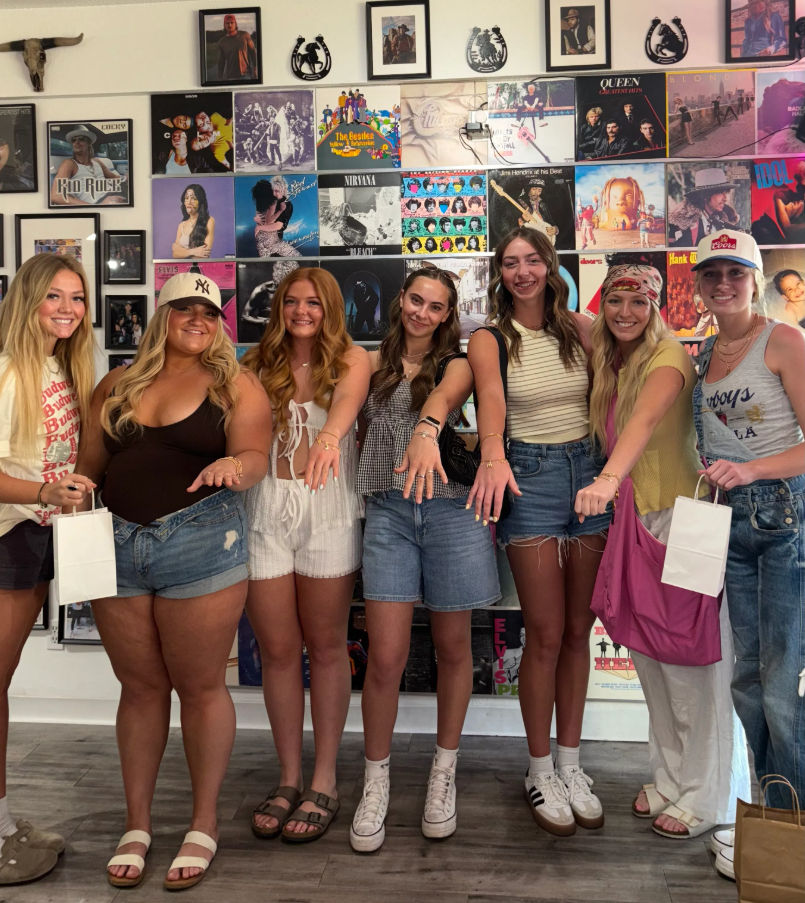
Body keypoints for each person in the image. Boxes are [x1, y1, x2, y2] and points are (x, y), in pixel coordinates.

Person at [75, 271, 271, 891]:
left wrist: (235, 464)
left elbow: (257, 458)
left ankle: (203, 823)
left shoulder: (233, 382)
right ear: (162, 316)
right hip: (116, 542)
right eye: (184, 308)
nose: (197, 319)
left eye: (208, 312)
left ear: (219, 323)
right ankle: (137, 825)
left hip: (201, 538)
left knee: (200, 686)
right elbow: (88, 468)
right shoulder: (116, 383)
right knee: (138, 687)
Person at [573, 263, 750, 842]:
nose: (626, 312)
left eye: (638, 303)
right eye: (616, 302)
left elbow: (644, 423)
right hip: (639, 524)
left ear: (657, 307)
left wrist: (606, 477)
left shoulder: (668, 358)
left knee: (694, 667)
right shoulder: (612, 355)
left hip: (682, 523)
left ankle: (706, 793)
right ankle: (670, 777)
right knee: (652, 660)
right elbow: (567, 318)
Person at [349, 266, 500, 853]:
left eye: (437, 307)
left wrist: (427, 429)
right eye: (417, 300)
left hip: (450, 512)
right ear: (401, 300)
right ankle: (376, 780)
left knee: (453, 648)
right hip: (388, 512)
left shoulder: (458, 362)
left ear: (448, 315)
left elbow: (443, 399)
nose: (423, 313)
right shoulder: (368, 362)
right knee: (385, 658)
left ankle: (444, 772)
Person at [465, 227, 610, 837]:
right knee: (545, 633)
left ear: (551, 266)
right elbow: (492, 403)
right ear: (500, 274)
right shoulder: (490, 337)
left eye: (532, 261)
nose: (522, 272)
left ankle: (573, 765)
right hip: (528, 478)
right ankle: (539, 768)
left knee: (580, 630)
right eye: (510, 263)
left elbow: (612, 396)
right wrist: (492, 456)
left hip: (589, 474)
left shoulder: (581, 328)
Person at [691, 229, 805, 878]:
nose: (723, 284)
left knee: (782, 684)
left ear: (754, 277)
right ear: (700, 284)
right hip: (727, 524)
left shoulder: (781, 340)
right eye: (712, 274)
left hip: (783, 520)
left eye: (735, 272)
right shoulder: (706, 352)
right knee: (745, 681)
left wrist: (752, 468)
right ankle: (769, 811)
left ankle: (791, 826)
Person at [241, 268, 369, 844]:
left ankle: (325, 779)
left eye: (313, 302)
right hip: (266, 509)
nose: (300, 310)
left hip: (328, 509)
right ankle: (289, 776)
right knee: (277, 650)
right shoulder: (252, 363)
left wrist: (327, 437)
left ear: (330, 307)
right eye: (291, 301)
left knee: (326, 645)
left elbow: (343, 410)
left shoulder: (351, 359)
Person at [0, 254, 95, 886]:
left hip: (38, 536)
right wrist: (44, 492)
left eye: (77, 298)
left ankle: (5, 821)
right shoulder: (9, 373)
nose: (67, 308)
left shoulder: (63, 367)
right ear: (29, 300)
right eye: (54, 297)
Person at [50, 124, 126, 206]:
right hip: (101, 201)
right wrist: (97, 206)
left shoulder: (97, 161)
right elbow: (56, 196)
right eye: (74, 140)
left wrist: (126, 178)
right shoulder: (69, 163)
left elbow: (114, 178)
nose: (77, 142)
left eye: (81, 139)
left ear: (89, 143)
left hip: (115, 192)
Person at [669, 168, 740, 248]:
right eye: (720, 193)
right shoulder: (683, 225)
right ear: (706, 196)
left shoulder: (726, 222)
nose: (725, 198)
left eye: (725, 192)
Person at [252, 176, 296, 258]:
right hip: (264, 243)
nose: (274, 194)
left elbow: (279, 226)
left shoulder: (287, 204)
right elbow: (267, 220)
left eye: (277, 191)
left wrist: (260, 227)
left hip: (274, 243)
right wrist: (258, 220)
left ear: (283, 190)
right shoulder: (270, 201)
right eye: (272, 190)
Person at [171, 183, 215, 259]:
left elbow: (203, 255)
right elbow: (175, 255)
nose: (189, 201)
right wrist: (193, 251)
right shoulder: (181, 225)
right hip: (182, 270)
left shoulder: (209, 221)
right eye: (186, 198)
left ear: (200, 202)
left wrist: (181, 252)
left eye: (194, 198)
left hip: (199, 269)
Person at [216, 13, 258, 81]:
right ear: (224, 25)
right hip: (230, 77)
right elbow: (221, 62)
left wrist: (255, 68)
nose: (229, 25)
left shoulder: (245, 35)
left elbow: (253, 52)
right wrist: (220, 77)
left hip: (245, 74)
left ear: (235, 24)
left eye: (232, 22)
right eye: (227, 23)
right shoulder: (222, 42)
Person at [518, 179, 559, 244]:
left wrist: (555, 229)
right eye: (534, 189)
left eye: (539, 190)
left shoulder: (543, 204)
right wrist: (522, 224)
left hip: (545, 239)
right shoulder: (521, 202)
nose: (536, 193)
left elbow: (550, 221)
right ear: (529, 189)